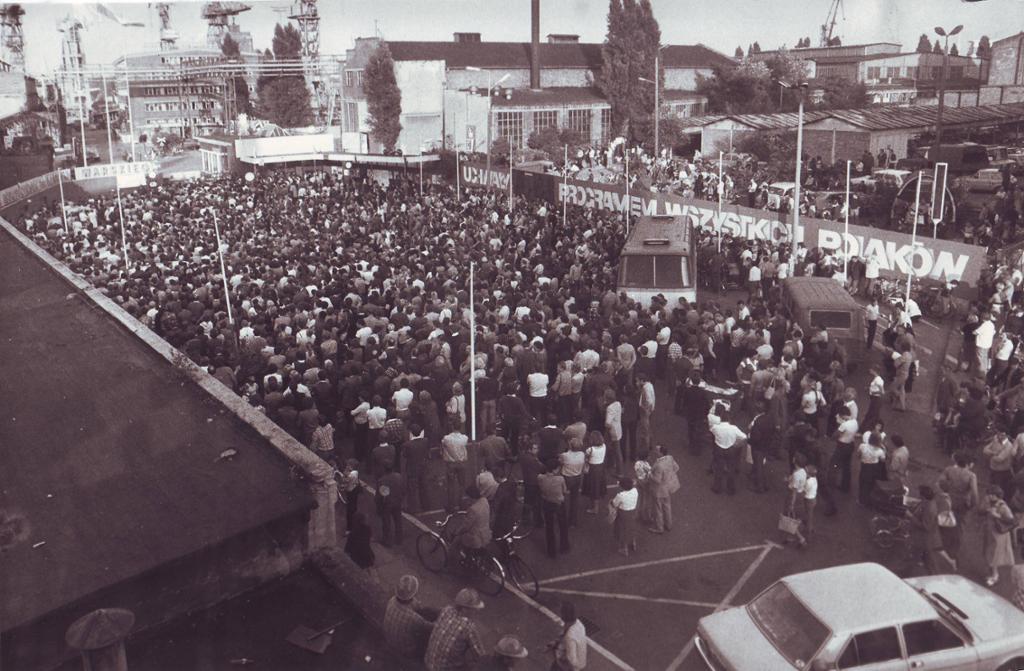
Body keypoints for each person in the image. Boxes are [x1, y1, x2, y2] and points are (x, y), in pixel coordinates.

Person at [424, 588, 487, 671]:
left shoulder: (446, 610)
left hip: (428, 664)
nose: (476, 611)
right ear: (465, 609)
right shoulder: (468, 627)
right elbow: (480, 655)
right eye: (474, 609)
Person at [383, 575, 437, 659]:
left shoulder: (392, 600)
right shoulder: (413, 618)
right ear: (413, 594)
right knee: (427, 639)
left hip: (389, 639)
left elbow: (417, 606)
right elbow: (432, 628)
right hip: (404, 650)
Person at [981, 484, 1017, 587]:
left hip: (998, 536)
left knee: (994, 557)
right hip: (990, 533)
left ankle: (995, 576)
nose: (988, 496)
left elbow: (1012, 521)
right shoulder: (989, 503)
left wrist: (997, 516)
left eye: (990, 495)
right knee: (989, 554)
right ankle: (992, 574)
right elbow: (980, 511)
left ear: (996, 496)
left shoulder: (1004, 507)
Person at [538, 461, 571, 558]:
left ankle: (551, 551)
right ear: (555, 469)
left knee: (549, 527)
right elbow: (564, 491)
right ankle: (564, 547)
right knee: (563, 525)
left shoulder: (540, 477)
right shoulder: (560, 479)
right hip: (558, 503)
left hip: (547, 502)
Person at [710, 409, 746, 495]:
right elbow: (744, 437)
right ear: (729, 419)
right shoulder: (734, 428)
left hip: (719, 449)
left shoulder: (716, 427)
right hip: (730, 449)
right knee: (731, 469)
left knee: (719, 468)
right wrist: (736, 444)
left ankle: (717, 487)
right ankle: (731, 489)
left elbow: (712, 432)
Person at [648, 444, 680, 534]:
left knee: (658, 509)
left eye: (657, 450)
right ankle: (668, 525)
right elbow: (677, 468)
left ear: (661, 453)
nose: (655, 451)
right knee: (667, 506)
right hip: (667, 487)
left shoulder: (659, 465)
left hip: (659, 490)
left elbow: (657, 480)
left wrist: (650, 474)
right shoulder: (670, 458)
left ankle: (659, 528)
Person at [376, 463, 407, 547]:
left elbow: (380, 495)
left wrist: (378, 506)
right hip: (397, 501)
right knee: (398, 521)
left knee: (386, 522)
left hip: (387, 503)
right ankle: (399, 539)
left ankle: (387, 541)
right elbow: (403, 489)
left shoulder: (382, 480)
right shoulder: (399, 476)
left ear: (384, 469)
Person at [551, 601, 587, 671]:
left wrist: (558, 662)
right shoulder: (579, 624)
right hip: (580, 661)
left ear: (564, 615)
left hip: (567, 667)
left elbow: (572, 660)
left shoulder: (570, 636)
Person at [610, 477, 640, 556]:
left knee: (622, 530)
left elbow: (614, 503)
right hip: (633, 512)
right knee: (631, 527)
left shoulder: (621, 495)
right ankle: (633, 543)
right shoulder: (635, 491)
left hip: (623, 513)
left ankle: (625, 549)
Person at [344, 511, 377, 581]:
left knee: (359, 574)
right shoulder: (368, 529)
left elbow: (347, 549)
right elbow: (368, 540)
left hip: (357, 557)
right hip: (367, 554)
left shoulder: (352, 534)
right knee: (370, 571)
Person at [584, 431, 607, 515]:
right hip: (601, 468)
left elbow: (586, 459)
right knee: (597, 487)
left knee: (593, 488)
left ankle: (595, 508)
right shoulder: (604, 446)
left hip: (593, 470)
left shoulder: (590, 450)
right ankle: (594, 506)